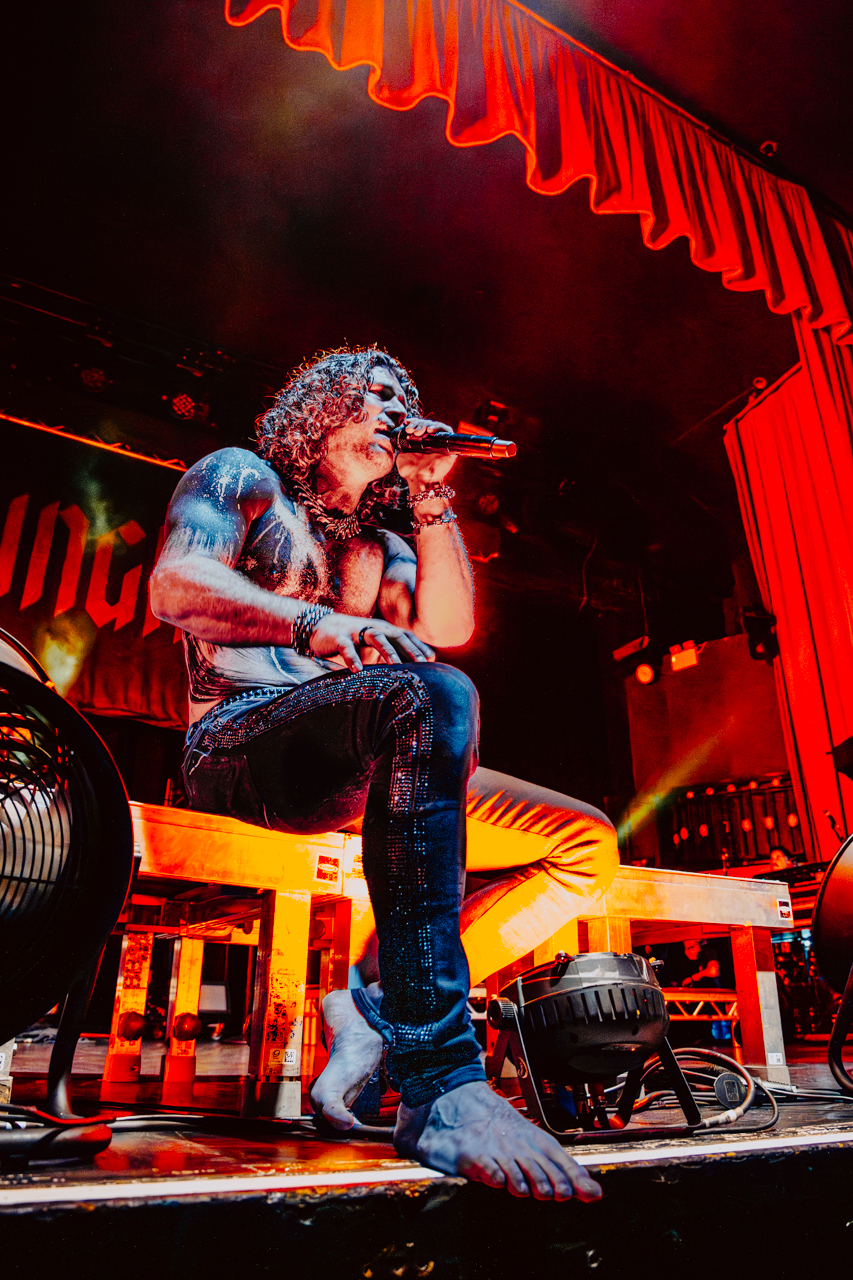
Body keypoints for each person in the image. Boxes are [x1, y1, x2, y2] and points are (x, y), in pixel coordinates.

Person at [149, 346, 618, 1201]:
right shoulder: (241, 476)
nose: (395, 413)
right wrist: (310, 624)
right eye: (376, 397)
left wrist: (432, 495)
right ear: (319, 409)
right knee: (428, 694)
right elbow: (177, 585)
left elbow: (450, 626)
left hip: (357, 760)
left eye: (405, 402)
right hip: (240, 749)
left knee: (582, 842)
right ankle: (440, 1079)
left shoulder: (379, 545)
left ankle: (373, 1006)